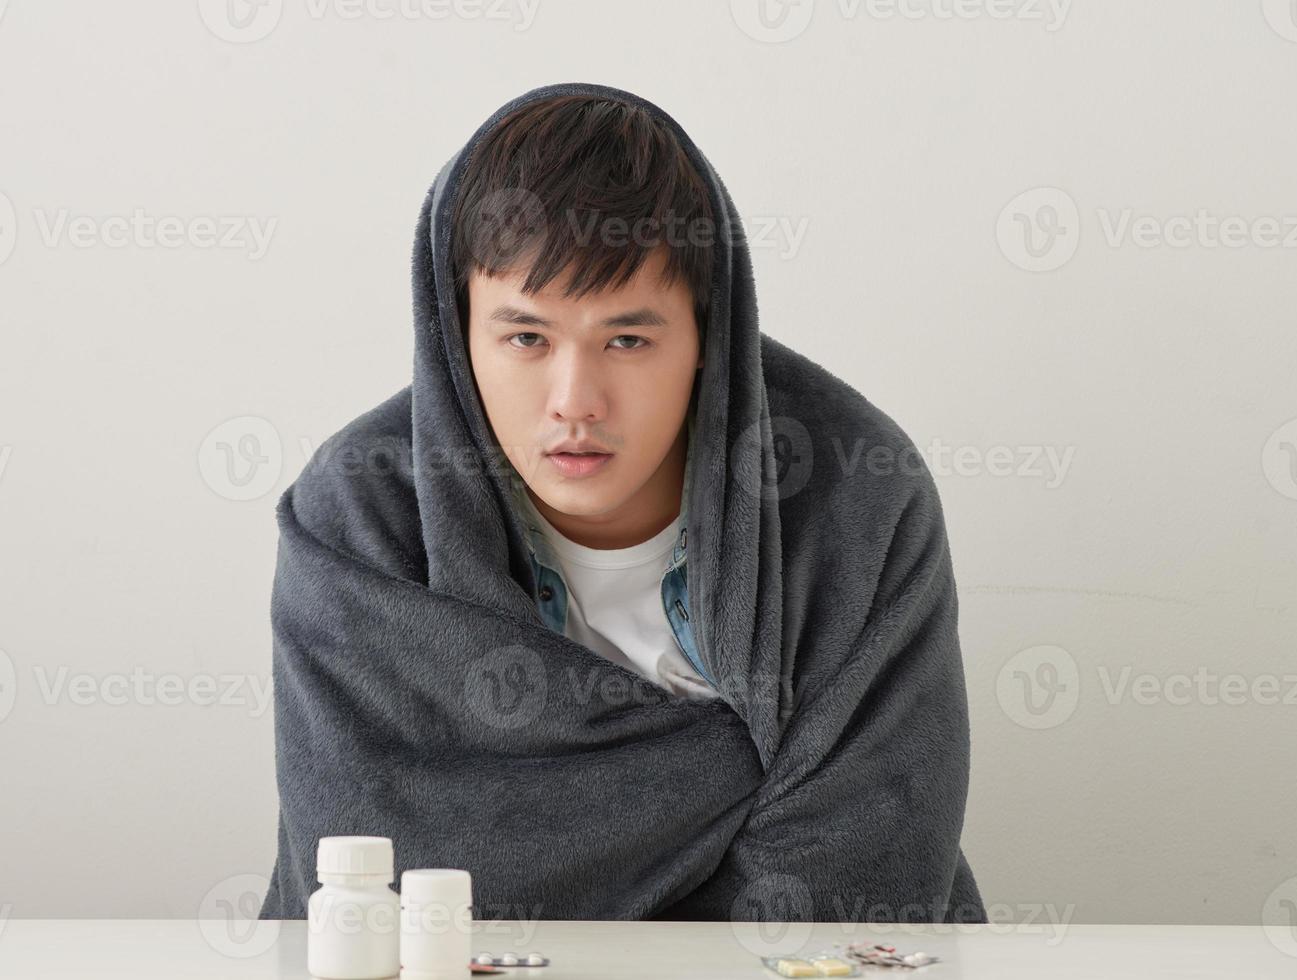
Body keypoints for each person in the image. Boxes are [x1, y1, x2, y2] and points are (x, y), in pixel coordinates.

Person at [259, 82, 986, 925]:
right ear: (454, 336)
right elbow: (374, 888)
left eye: (628, 340)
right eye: (525, 338)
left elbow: (863, 874)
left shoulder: (854, 495)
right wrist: (738, 771)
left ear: (708, 337)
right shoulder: (356, 515)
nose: (575, 401)